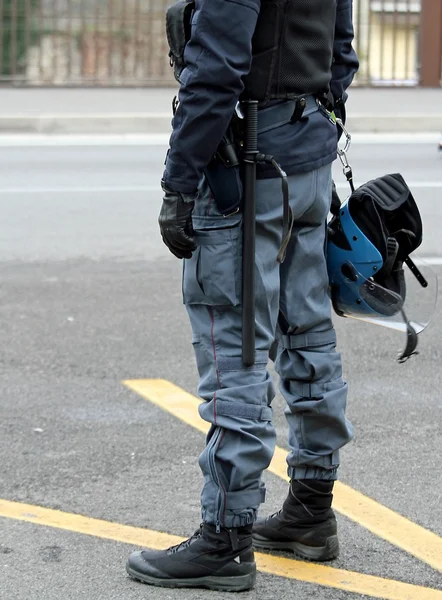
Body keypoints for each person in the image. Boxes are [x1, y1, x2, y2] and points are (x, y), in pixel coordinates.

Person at [126, 0, 359, 592]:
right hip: (306, 154)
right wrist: (315, 129)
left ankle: (225, 540)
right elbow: (340, 51)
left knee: (235, 351)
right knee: (308, 333)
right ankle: (310, 510)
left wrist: (179, 182)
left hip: (250, 166)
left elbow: (216, 68)